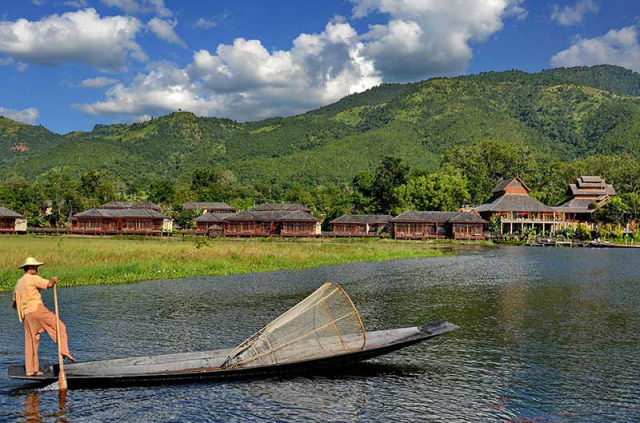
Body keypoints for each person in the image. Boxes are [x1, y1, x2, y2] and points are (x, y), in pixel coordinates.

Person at [12, 257, 75, 377]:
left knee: (31, 342)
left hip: (27, 315)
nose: (37, 269)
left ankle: (31, 370)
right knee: (59, 325)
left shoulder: (19, 283)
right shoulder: (32, 278)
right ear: (30, 268)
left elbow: (15, 304)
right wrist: (53, 280)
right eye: (36, 267)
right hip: (37, 309)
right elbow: (49, 285)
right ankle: (64, 350)